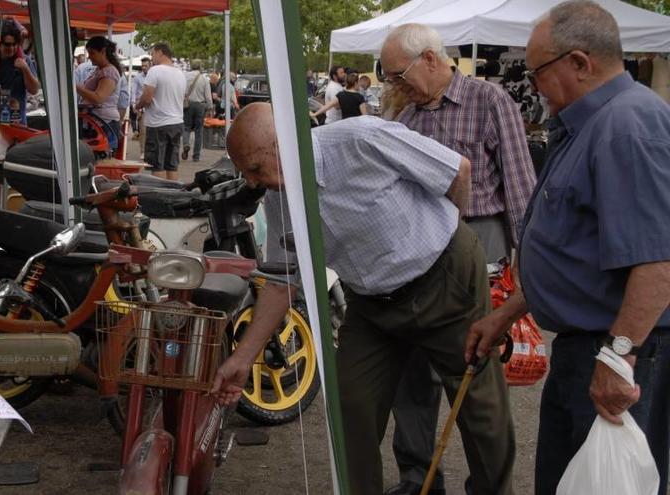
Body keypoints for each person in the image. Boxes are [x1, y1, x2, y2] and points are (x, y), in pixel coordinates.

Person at [211, 103, 515, 495]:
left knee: (480, 409)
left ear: (282, 144)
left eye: (254, 168)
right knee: (349, 406)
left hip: (444, 278)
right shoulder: (279, 200)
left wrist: (445, 236)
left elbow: (458, 170)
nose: (252, 182)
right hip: (372, 303)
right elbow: (283, 281)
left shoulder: (361, 139)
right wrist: (242, 358)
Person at [466, 2, 670, 495]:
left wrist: (618, 358)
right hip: (592, 346)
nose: (532, 84)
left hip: (621, 349)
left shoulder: (627, 126)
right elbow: (574, 250)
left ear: (580, 63)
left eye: (538, 71)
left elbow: (658, 261)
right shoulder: (592, 124)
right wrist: (507, 313)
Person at [379, 23, 536, 495]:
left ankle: (489, 484)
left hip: (479, 240)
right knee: (412, 365)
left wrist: (527, 265)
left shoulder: (490, 102)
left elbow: (521, 187)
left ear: (430, 58)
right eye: (388, 78)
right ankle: (417, 478)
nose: (394, 85)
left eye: (398, 74)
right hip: (418, 247)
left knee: (473, 368)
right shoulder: (405, 116)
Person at [134, 43, 185, 180]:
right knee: (172, 165)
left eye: (152, 54)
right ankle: (174, 194)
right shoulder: (180, 73)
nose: (152, 58)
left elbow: (147, 98)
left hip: (158, 124)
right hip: (177, 122)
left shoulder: (155, 71)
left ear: (160, 52)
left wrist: (137, 106)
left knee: (156, 165)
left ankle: (159, 196)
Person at [75, 36, 123, 150]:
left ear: (103, 51)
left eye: (92, 53)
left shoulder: (109, 72)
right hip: (97, 123)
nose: (89, 57)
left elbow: (98, 98)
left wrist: (75, 87)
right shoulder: (100, 70)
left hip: (104, 124)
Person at [0, 22, 40, 125]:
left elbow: (34, 89)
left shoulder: (24, 60)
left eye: (14, 44)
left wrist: (25, 69)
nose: (11, 48)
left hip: (17, 123)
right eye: (7, 44)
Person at [181, 61, 213, 162]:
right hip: (200, 106)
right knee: (199, 131)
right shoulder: (204, 79)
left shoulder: (185, 76)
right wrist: (210, 107)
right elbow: (208, 96)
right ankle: (196, 156)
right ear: (200, 67)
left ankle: (186, 144)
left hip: (188, 105)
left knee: (186, 128)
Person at [131, 57, 151, 158]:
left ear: (150, 66)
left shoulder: (153, 77)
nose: (144, 67)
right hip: (141, 108)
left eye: (146, 66)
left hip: (152, 107)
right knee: (143, 130)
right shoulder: (137, 78)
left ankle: (150, 150)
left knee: (151, 131)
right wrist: (134, 104)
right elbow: (133, 92)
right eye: (142, 66)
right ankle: (143, 151)